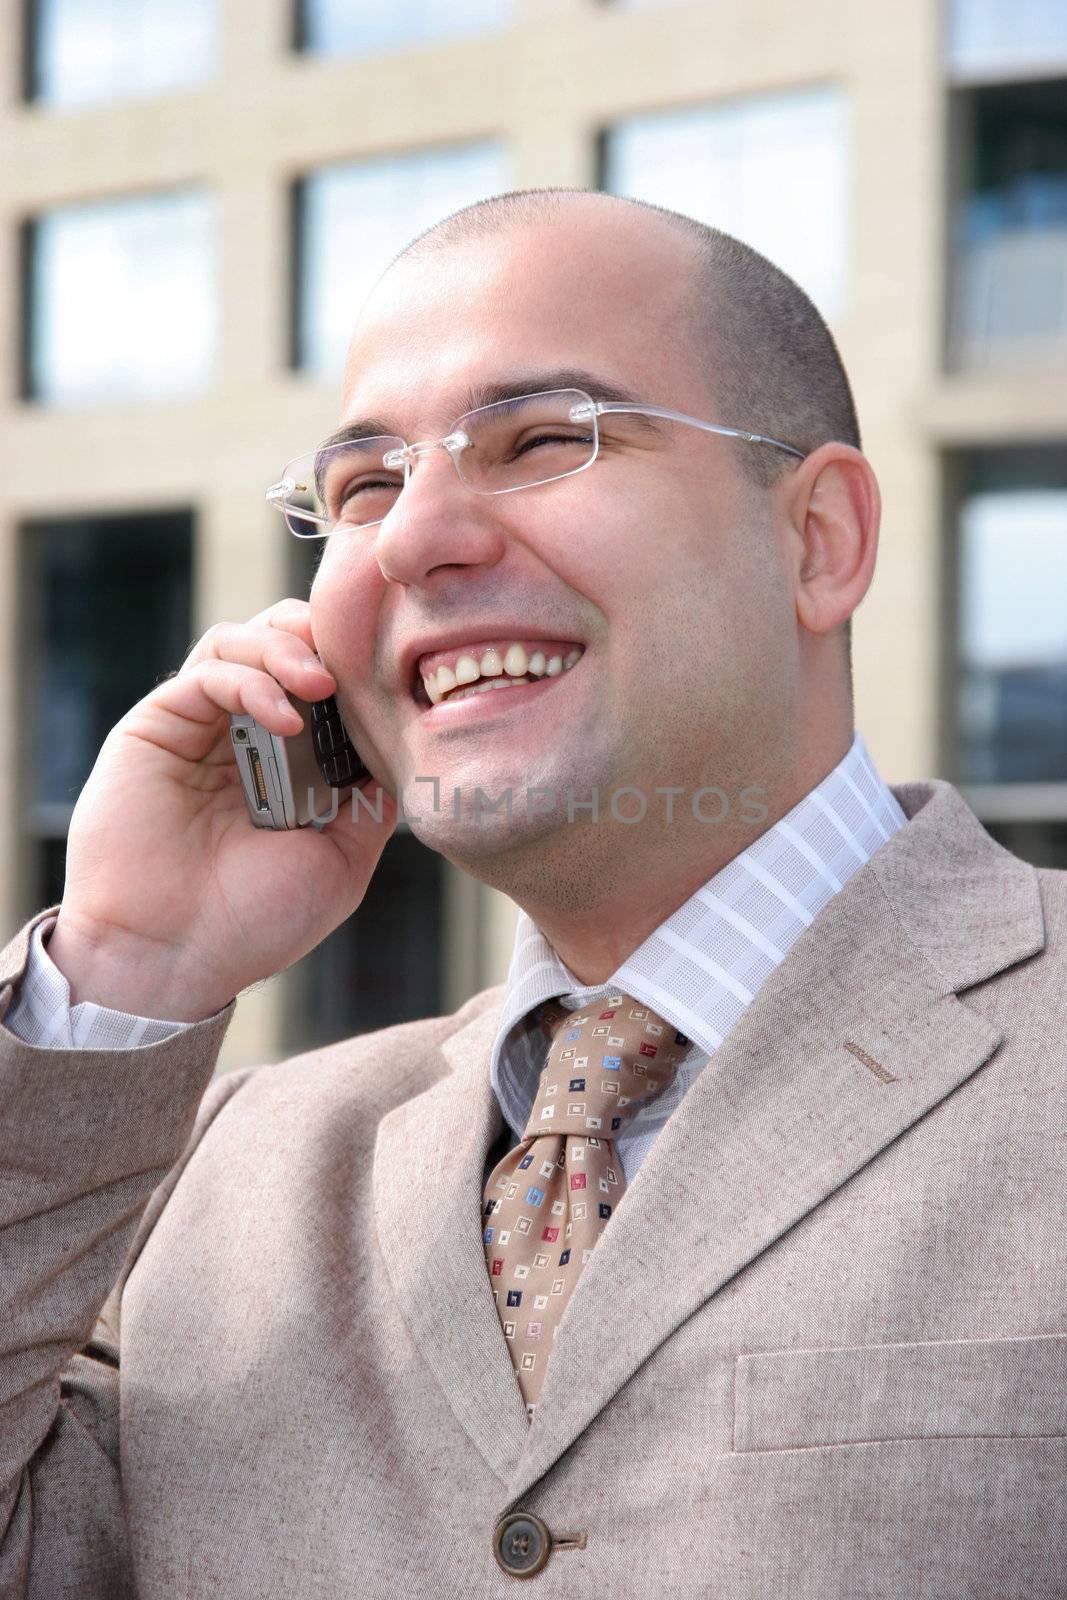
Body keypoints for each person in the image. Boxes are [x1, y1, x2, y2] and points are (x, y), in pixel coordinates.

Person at [2, 188, 1064, 1599]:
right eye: (363, 487)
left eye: (546, 440)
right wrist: (124, 967)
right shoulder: (212, 1174)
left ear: (819, 541)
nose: (410, 540)